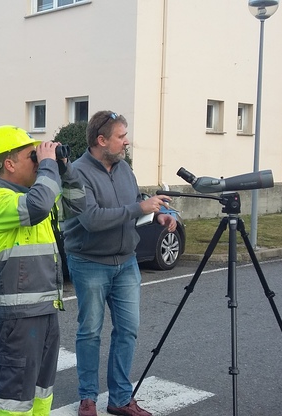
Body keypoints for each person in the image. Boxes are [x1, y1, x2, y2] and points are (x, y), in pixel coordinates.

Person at [63, 111, 177, 416]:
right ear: (102, 141)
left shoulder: (124, 168)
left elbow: (133, 204)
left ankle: (120, 399)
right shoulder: (75, 174)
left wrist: (156, 215)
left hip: (126, 262)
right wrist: (139, 206)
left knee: (128, 330)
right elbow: (91, 219)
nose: (126, 142)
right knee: (90, 332)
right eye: (121, 136)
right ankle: (88, 397)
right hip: (90, 263)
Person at [0, 125, 86, 416]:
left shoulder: (38, 192)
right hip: (17, 315)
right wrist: (49, 167)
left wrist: (65, 167)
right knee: (13, 398)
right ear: (9, 163)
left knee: (41, 392)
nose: (39, 161)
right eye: (32, 155)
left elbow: (80, 203)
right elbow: (37, 206)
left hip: (44, 309)